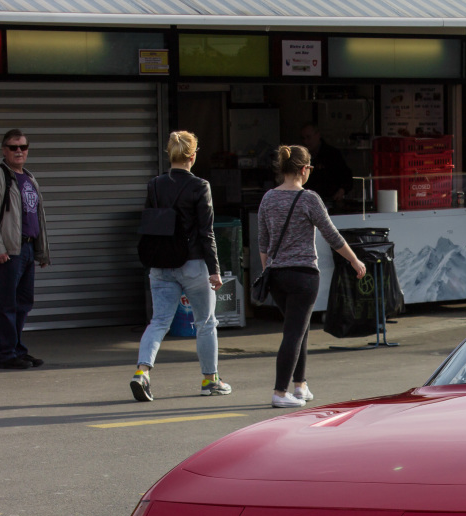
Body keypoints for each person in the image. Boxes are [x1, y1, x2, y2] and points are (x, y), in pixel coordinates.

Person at [258, 145, 367, 409]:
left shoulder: (268, 198)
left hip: (277, 275)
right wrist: (354, 260)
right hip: (304, 275)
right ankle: (280, 392)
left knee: (300, 328)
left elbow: (263, 241)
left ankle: (300, 385)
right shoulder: (309, 199)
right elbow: (332, 235)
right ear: (304, 170)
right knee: (294, 332)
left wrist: (267, 271)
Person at [130, 131, 231, 402]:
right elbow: (206, 231)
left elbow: (151, 224)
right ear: (193, 156)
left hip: (161, 264)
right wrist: (215, 269)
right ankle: (210, 380)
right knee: (206, 322)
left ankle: (142, 372)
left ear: (170, 154)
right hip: (194, 263)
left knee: (159, 320)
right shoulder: (200, 186)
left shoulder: (154, 184)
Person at [0, 129, 51, 370]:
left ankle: (17, 349)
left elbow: (36, 217)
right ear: (4, 150)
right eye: (13, 147)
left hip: (28, 249)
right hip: (9, 250)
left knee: (23, 302)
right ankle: (5, 354)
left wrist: (41, 252)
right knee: (5, 303)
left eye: (23, 147)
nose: (19, 151)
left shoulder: (29, 177)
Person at [300, 123, 354, 211]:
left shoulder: (332, 155)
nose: (305, 142)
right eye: (303, 138)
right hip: (307, 205)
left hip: (330, 205)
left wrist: (342, 190)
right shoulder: (301, 157)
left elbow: (347, 177)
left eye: (308, 137)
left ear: (317, 135)